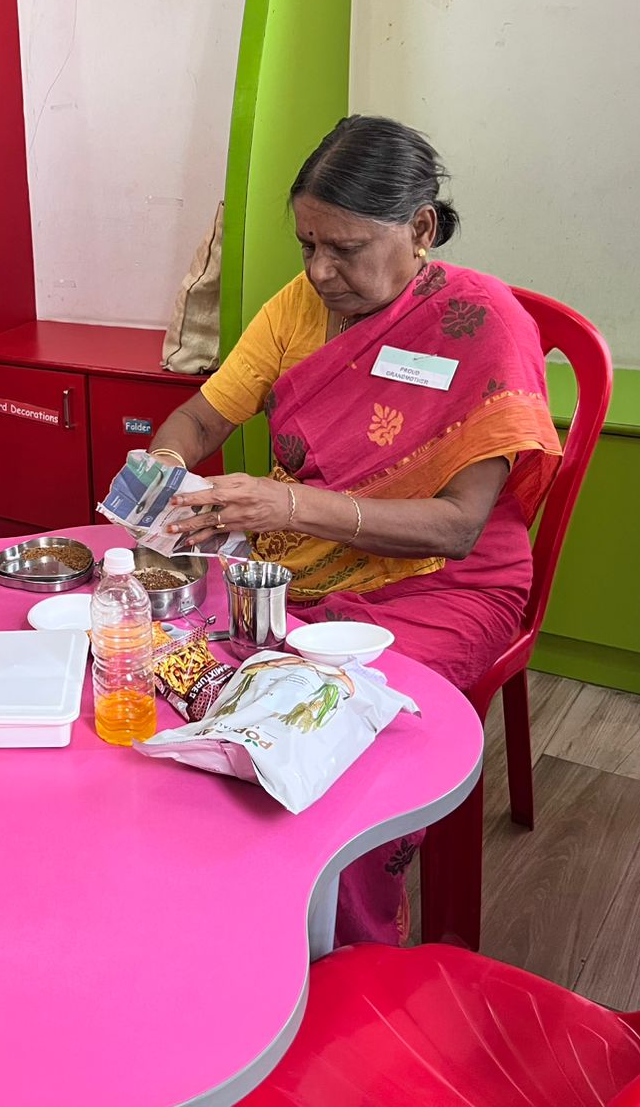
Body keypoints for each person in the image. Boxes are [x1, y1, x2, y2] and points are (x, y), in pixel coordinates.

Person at [146, 115, 562, 945]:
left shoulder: (481, 324)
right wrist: (161, 470)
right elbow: (198, 418)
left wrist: (290, 507)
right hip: (298, 559)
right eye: (307, 245)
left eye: (344, 248)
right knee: (167, 675)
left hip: (442, 583)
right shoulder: (298, 308)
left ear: (421, 229)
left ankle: (344, 948)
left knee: (334, 744)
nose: (318, 271)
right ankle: (222, 906)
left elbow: (458, 527)